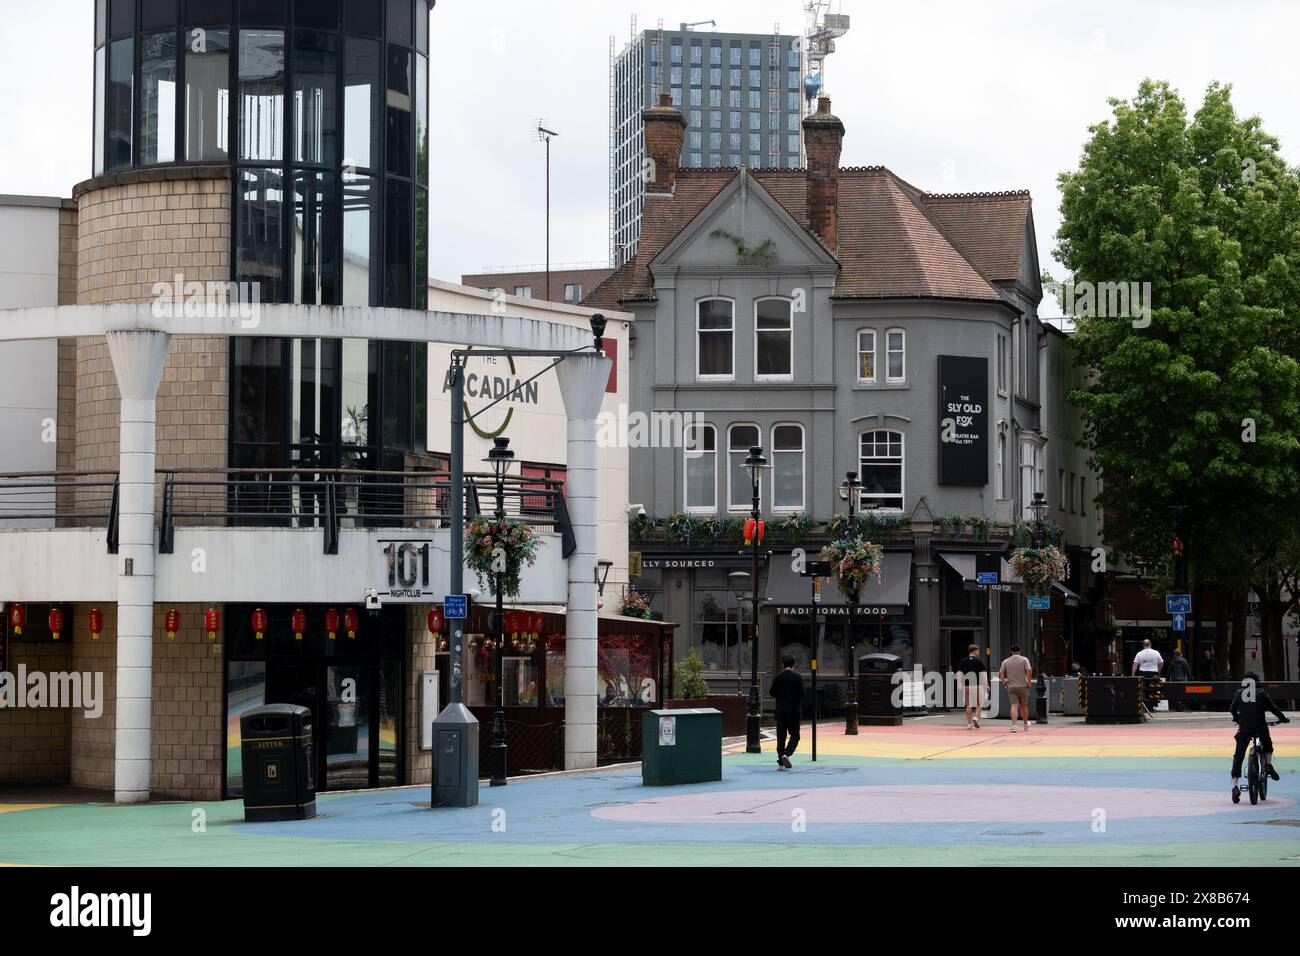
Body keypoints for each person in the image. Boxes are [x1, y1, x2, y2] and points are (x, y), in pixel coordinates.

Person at [1230, 671, 1289, 803]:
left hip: (1244, 728)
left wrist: (1238, 719)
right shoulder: (1262, 692)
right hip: (1260, 727)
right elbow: (1274, 708)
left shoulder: (1239, 693)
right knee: (1267, 744)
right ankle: (1268, 764)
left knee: (1238, 755)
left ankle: (1234, 786)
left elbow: (1232, 709)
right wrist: (1283, 719)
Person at [768, 654, 804, 770]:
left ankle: (781, 763)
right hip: (794, 711)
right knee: (795, 736)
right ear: (794, 665)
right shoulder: (798, 677)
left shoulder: (778, 677)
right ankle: (786, 754)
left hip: (781, 711)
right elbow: (802, 693)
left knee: (781, 737)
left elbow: (772, 692)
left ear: (783, 664)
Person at [998, 643, 1033, 732]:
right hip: (1023, 686)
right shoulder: (1024, 659)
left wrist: (1004, 682)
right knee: (1024, 706)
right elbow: (1029, 670)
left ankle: (1014, 726)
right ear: (1019, 651)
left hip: (1011, 686)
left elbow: (1001, 673)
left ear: (1011, 651)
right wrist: (1028, 681)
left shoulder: (1005, 661)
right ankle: (1025, 725)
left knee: (1014, 706)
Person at [954, 643, 988, 729]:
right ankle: (976, 717)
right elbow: (984, 675)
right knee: (979, 704)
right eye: (978, 650)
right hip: (977, 686)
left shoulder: (963, 661)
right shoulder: (979, 661)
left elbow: (959, 673)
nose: (978, 652)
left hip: (967, 686)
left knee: (968, 705)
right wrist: (986, 685)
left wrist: (959, 684)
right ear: (975, 651)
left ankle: (969, 724)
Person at [1132, 638, 1164, 712]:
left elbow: (1135, 664)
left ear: (1143, 645)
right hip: (1153, 673)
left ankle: (1144, 707)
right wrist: (1158, 671)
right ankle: (1151, 707)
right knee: (1153, 690)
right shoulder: (1156, 653)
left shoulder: (1139, 653)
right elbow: (1161, 663)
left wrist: (1133, 674)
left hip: (1143, 673)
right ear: (1150, 644)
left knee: (1144, 690)